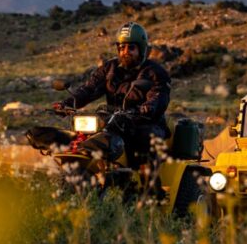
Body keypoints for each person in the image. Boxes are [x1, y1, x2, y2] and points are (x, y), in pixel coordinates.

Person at [46, 22, 172, 166]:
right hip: (114, 120)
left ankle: (148, 179)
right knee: (84, 137)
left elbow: (159, 98)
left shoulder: (155, 72)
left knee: (145, 137)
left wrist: (145, 109)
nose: (125, 51)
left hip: (146, 122)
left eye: (131, 47)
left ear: (141, 48)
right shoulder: (109, 68)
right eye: (122, 47)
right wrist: (66, 104)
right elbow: (89, 89)